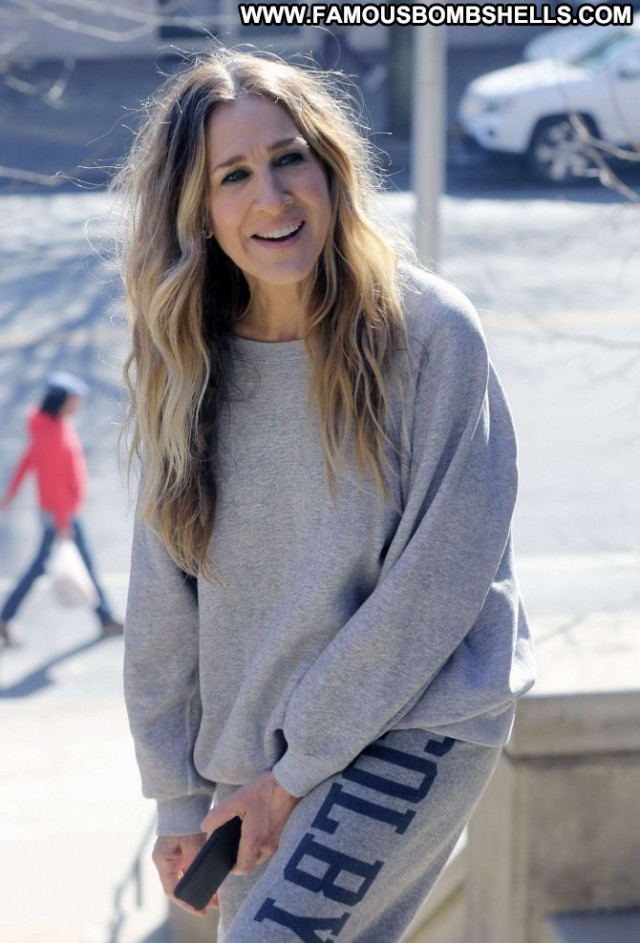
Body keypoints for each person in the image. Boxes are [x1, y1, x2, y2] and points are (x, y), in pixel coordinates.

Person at [118, 48, 536, 943]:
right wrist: (176, 795)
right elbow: (164, 603)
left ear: (331, 169)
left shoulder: (428, 335)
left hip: (415, 718)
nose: (272, 196)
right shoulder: (188, 367)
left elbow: (439, 584)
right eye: (233, 176)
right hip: (259, 755)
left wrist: (294, 773)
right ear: (199, 212)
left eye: (289, 159)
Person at [0, 372, 123, 646]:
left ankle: (104, 617)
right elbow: (55, 482)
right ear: (62, 401)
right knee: (49, 566)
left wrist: (11, 493)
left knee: (59, 564)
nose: (78, 404)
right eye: (75, 399)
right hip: (61, 514)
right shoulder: (52, 433)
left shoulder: (48, 426)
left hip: (61, 513)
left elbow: (28, 459)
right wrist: (63, 522)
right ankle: (104, 618)